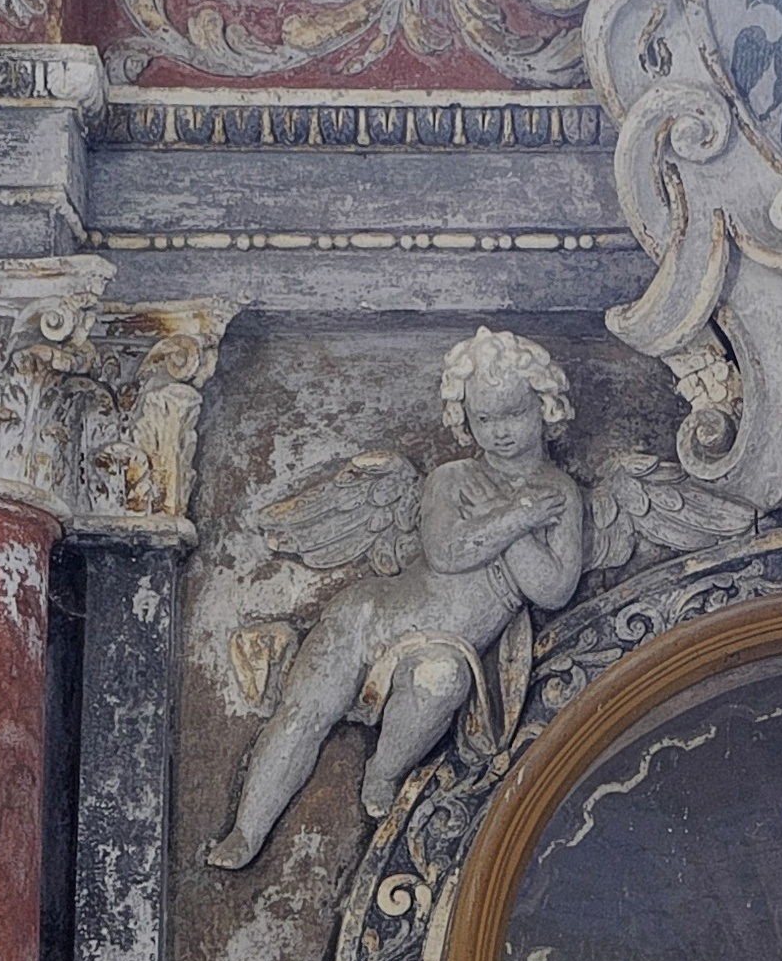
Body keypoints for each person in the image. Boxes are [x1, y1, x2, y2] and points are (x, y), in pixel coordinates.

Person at [210, 333, 590, 867]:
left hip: (442, 647)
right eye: (483, 420)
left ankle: (384, 770)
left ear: (544, 407)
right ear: (466, 420)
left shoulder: (559, 495)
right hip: (371, 617)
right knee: (302, 716)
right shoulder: (453, 478)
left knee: (443, 681)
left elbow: (552, 587)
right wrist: (515, 516)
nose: (500, 433)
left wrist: (518, 520)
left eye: (513, 414)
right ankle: (246, 831)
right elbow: (448, 551)